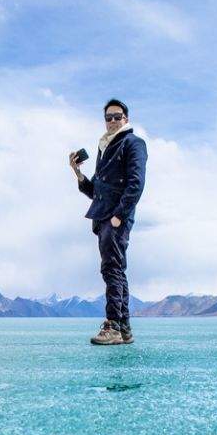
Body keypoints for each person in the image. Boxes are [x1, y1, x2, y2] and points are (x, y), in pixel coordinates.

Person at [69, 98, 147, 345]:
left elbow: (136, 183)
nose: (112, 121)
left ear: (126, 119)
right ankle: (123, 328)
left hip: (116, 218)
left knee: (112, 269)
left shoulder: (133, 143)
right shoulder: (105, 148)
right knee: (115, 269)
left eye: (117, 116)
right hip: (104, 217)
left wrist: (118, 216)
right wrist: (78, 173)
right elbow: (97, 191)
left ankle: (113, 325)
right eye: (108, 117)